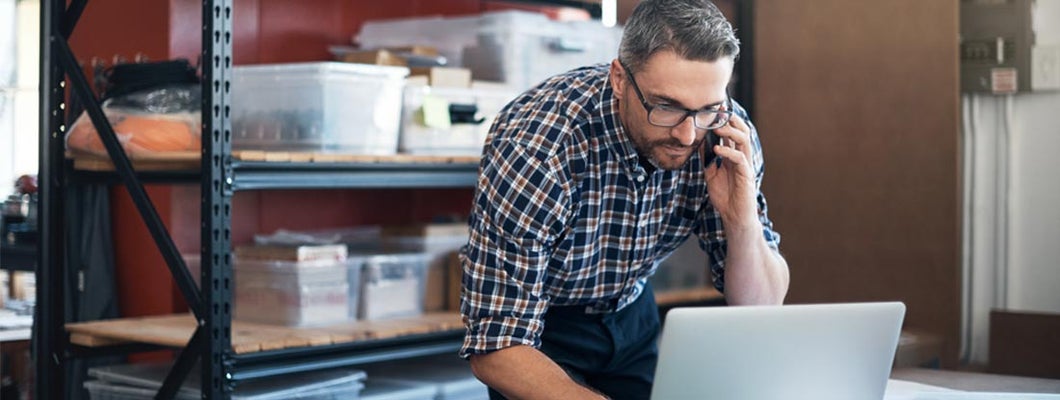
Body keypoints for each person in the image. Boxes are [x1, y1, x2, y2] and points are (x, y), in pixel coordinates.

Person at [459, 1, 790, 399]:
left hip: (631, 311)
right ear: (619, 78)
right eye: (666, 107)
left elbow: (760, 307)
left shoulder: (724, 135)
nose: (688, 136)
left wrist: (742, 223)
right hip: (541, 331)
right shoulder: (539, 148)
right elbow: (495, 345)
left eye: (707, 108)